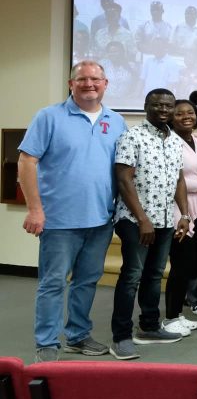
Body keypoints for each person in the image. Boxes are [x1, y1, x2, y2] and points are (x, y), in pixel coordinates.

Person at [19, 61, 127, 362]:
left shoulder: (116, 121)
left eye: (95, 79)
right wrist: (35, 210)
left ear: (105, 84)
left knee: (87, 281)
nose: (89, 84)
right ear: (71, 83)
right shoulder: (49, 117)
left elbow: (123, 170)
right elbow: (27, 162)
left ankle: (78, 336)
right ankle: (47, 342)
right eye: (82, 79)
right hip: (58, 221)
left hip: (101, 219)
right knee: (53, 283)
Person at [109, 89, 191, 360]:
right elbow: (123, 179)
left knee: (155, 275)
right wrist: (143, 219)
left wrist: (185, 214)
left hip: (166, 219)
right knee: (132, 275)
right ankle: (121, 337)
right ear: (146, 106)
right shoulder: (132, 136)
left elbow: (179, 179)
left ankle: (149, 327)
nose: (163, 110)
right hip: (136, 220)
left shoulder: (175, 140)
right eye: (157, 105)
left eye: (168, 105)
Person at [162, 100, 197, 337]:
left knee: (189, 266)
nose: (185, 117)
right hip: (176, 212)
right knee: (180, 267)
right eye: (179, 113)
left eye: (190, 112)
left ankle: (178, 315)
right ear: (171, 117)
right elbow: (172, 180)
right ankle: (170, 317)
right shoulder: (168, 142)